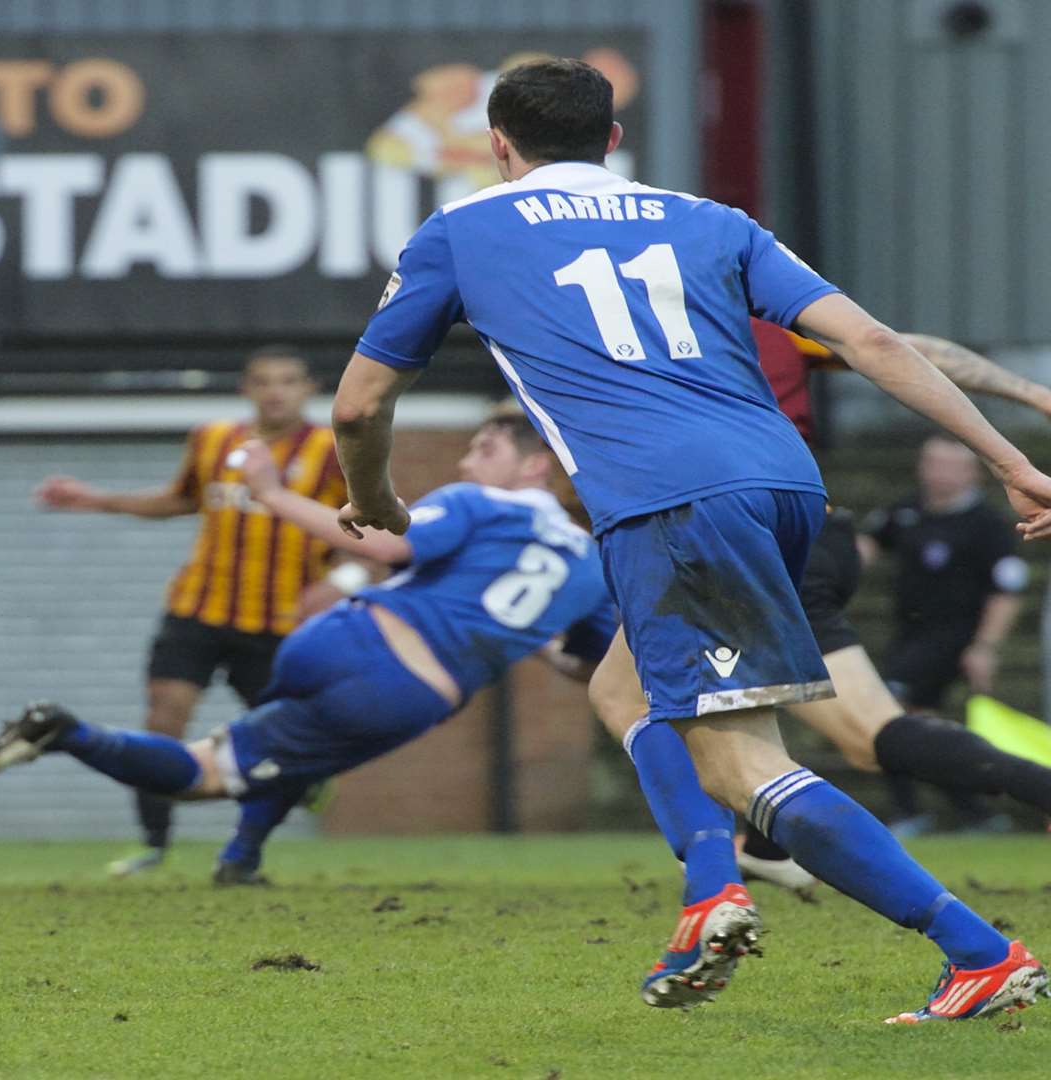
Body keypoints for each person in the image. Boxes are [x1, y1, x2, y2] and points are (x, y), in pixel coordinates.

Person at [333, 56, 1051, 1022]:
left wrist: (375, 498)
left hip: (668, 499)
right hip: (788, 485)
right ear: (614, 140)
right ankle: (711, 885)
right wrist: (1011, 459)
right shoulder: (713, 219)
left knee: (742, 762)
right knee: (622, 687)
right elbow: (875, 342)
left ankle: (976, 950)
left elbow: (360, 404)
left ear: (498, 146)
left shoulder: (460, 231)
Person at [0, 414, 617, 885]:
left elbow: (384, 544)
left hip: (334, 640)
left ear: (536, 465)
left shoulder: (483, 504)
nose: (468, 463)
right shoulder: (591, 566)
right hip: (399, 691)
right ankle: (66, 733)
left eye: (485, 448)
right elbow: (589, 667)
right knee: (213, 775)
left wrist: (273, 495)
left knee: (272, 751)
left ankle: (241, 858)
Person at [588, 327, 1051, 894]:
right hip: (815, 528)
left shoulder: (639, 327)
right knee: (866, 734)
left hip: (731, 527)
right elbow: (900, 348)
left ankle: (714, 875)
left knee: (625, 695)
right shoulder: (764, 320)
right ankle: (761, 847)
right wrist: (1029, 392)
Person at [33, 345, 346, 876]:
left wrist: (342, 581)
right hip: (197, 609)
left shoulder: (333, 451)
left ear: (310, 389)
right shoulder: (213, 439)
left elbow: (360, 525)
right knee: (163, 716)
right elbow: (182, 499)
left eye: (288, 380)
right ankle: (153, 844)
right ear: (247, 388)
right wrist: (97, 499)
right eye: (264, 380)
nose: (276, 391)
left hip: (277, 622)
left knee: (288, 740)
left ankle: (247, 849)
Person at [860, 435, 1030, 834]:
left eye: (950, 465)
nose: (938, 473)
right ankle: (974, 812)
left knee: (890, 713)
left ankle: (911, 813)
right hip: (908, 636)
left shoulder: (987, 524)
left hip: (953, 640)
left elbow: (1007, 592)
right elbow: (863, 549)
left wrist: (985, 647)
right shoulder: (905, 510)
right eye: (932, 463)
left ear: (972, 473)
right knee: (911, 726)